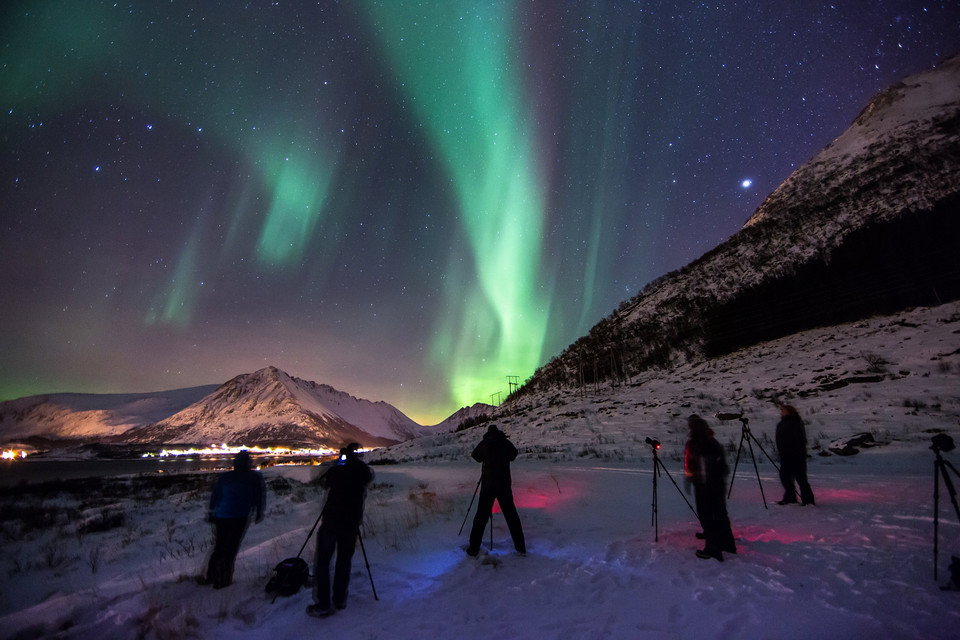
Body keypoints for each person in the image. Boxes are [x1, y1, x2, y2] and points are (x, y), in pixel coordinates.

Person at [307, 442, 373, 619]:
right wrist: (354, 462)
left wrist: (338, 463)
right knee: (344, 560)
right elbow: (368, 476)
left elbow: (322, 480)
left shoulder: (337, 470)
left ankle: (323, 604)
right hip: (351, 523)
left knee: (323, 562)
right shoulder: (361, 471)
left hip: (331, 520)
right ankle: (339, 599)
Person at [203, 450, 266, 588]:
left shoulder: (226, 477)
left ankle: (211, 577)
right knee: (230, 548)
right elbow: (258, 495)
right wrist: (259, 511)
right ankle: (223, 581)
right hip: (240, 516)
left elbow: (216, 495)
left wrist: (212, 511)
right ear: (248, 463)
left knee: (219, 547)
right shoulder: (254, 477)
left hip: (222, 515)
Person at [466, 425, 526, 556]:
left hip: (488, 486)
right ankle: (521, 547)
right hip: (504, 485)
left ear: (488, 433)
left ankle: (473, 549)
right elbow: (513, 454)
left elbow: (475, 456)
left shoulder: (485, 443)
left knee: (481, 518)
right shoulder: (505, 442)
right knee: (511, 516)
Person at [684, 415, 736, 561]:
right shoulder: (712, 441)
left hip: (705, 485)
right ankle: (728, 543)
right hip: (717, 484)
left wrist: (693, 479)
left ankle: (713, 548)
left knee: (707, 516)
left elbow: (696, 464)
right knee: (720, 514)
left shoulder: (696, 443)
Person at [775, 405, 815, 506]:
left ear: (788, 411)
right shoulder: (788, 422)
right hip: (787, 455)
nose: (781, 412)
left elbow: (798, 439)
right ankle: (791, 498)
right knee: (787, 477)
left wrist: (794, 452)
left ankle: (807, 500)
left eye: (783, 410)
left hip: (794, 455)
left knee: (800, 478)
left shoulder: (793, 423)